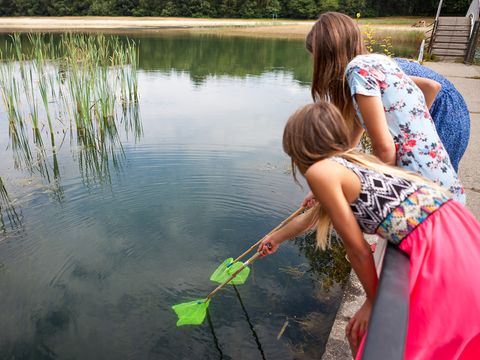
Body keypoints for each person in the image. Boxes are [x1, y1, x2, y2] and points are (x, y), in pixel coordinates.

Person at [259, 101, 480, 359]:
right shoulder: (351, 160)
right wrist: (276, 237)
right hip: (451, 224)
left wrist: (372, 301)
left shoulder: (321, 172)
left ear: (299, 148)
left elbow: (358, 249)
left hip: (433, 242)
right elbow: (314, 217)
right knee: (361, 334)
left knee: (410, 340)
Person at [304, 12, 465, 203]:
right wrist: (324, 183)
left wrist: (375, 194)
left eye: (317, 57)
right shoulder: (379, 63)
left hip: (419, 189)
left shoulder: (358, 71)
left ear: (327, 54)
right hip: (442, 179)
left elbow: (385, 148)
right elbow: (351, 143)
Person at [395, 58, 470, 172]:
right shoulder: (376, 64)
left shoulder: (373, 73)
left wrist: (414, 127)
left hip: (445, 112)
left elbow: (432, 87)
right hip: (449, 104)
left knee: (434, 170)